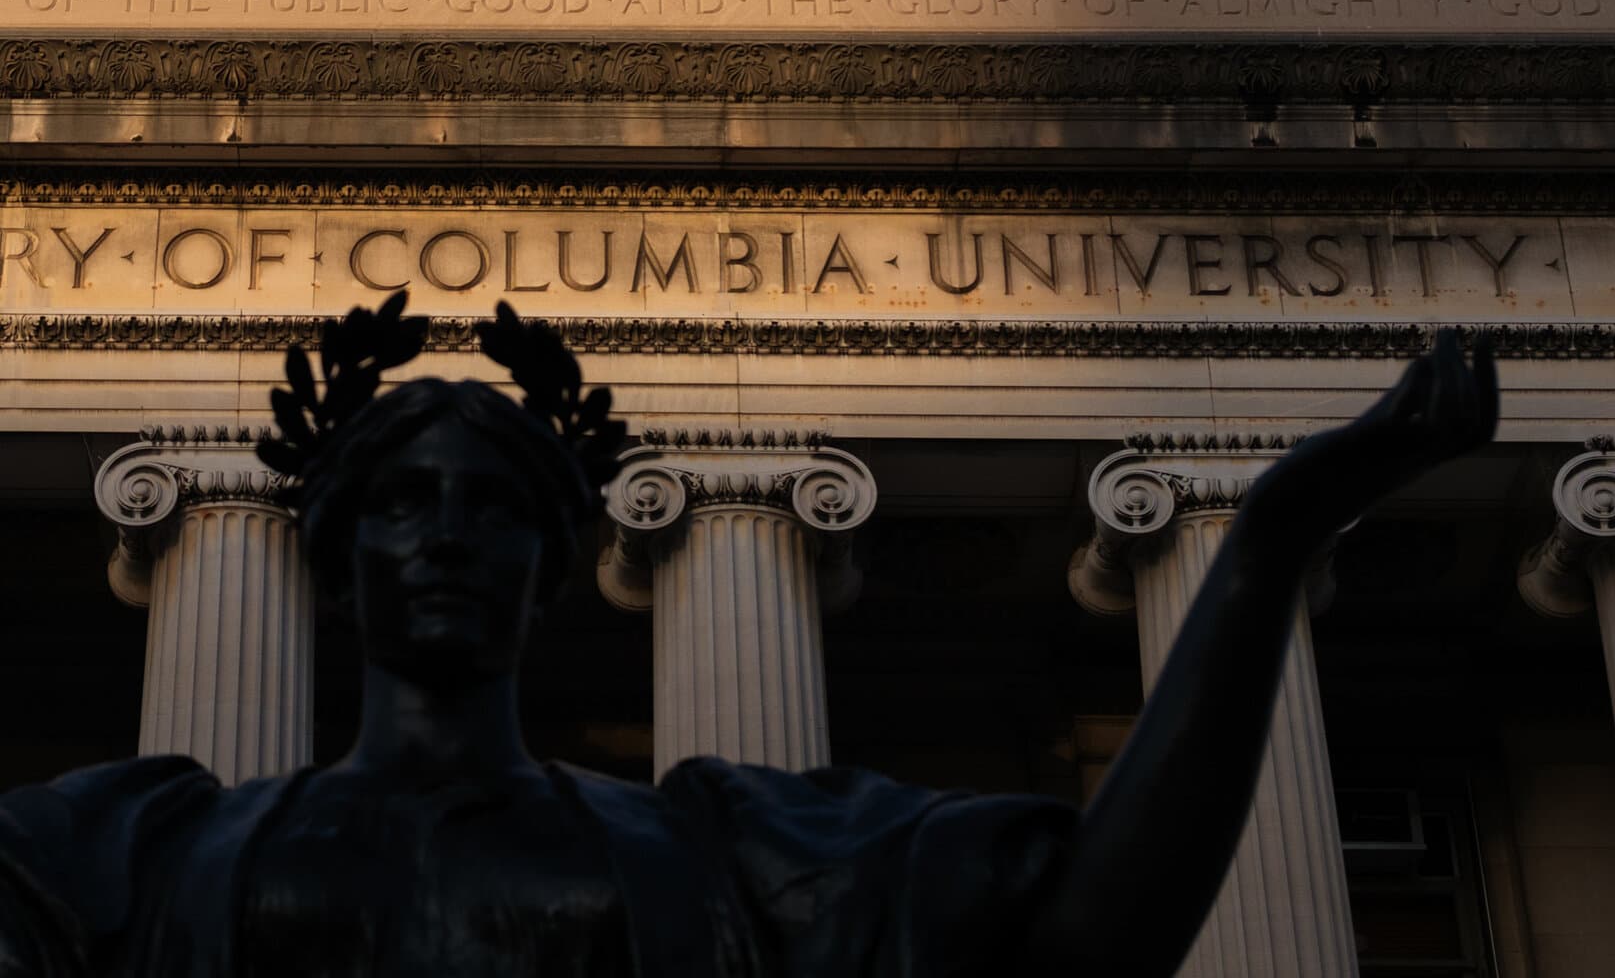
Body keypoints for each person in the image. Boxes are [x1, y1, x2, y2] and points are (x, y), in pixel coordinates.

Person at [0, 294, 1497, 978]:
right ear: (332, 564)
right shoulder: (130, 858)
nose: (444, 536)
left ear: (555, 570)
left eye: (490, 510)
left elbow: (1097, 934)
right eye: (396, 507)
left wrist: (1272, 542)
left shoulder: (745, 855)